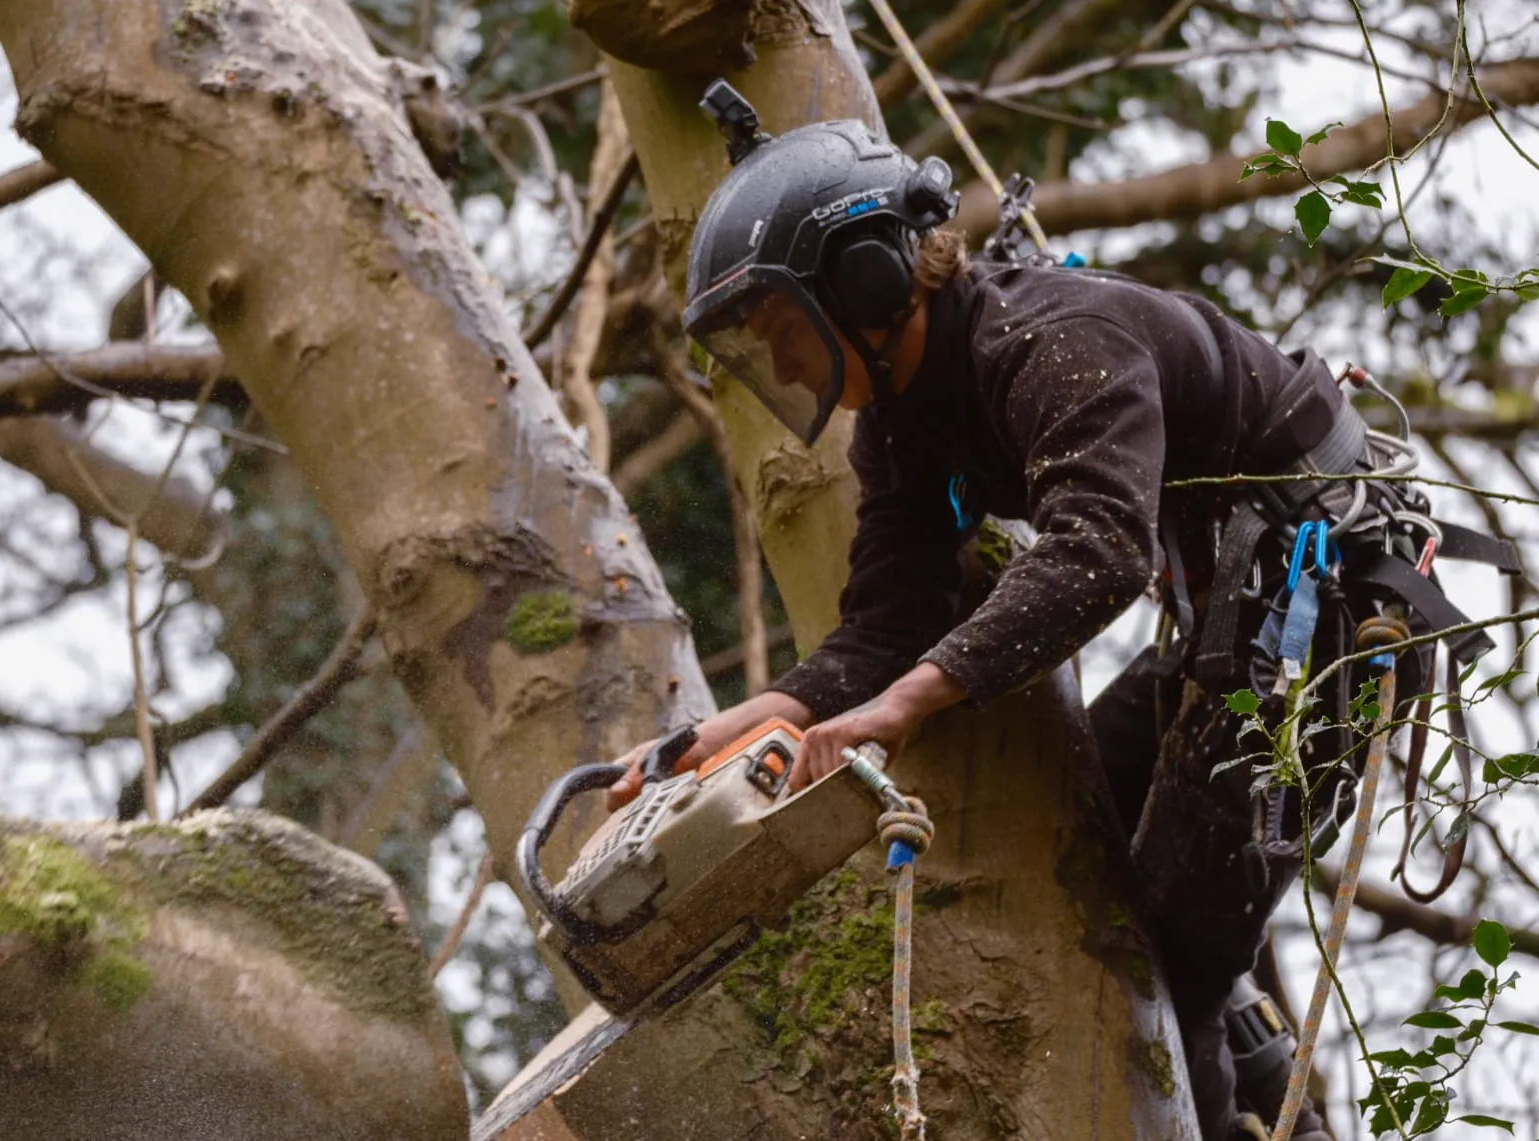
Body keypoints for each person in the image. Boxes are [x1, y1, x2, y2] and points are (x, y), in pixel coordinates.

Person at [605, 90, 1494, 1140]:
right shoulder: (898, 424)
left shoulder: (1056, 344)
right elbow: (889, 614)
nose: (786, 365)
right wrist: (759, 716)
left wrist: (905, 704)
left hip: (1323, 623)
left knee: (1171, 967)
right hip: (1227, 632)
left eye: (787, 329)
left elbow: (1100, 549)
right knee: (1100, 830)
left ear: (868, 279)